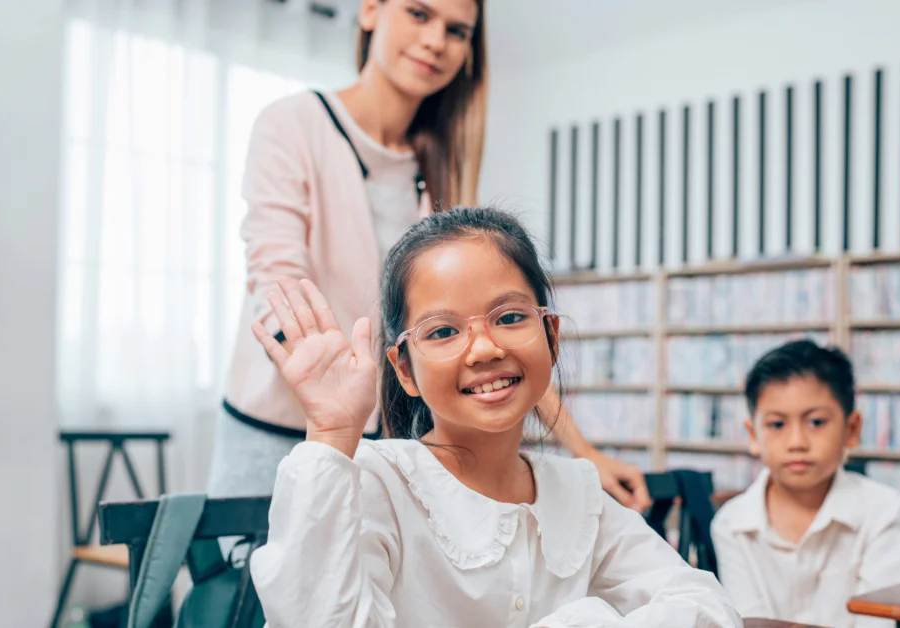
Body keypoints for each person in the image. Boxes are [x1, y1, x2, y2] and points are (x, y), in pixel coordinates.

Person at [213, 0, 649, 510]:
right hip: (282, 426)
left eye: (457, 30)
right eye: (420, 14)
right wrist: (333, 408)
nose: (437, 40)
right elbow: (276, 277)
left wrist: (583, 452)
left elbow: (495, 330)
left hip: (387, 441)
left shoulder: (441, 164)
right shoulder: (294, 122)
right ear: (371, 10)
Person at [248, 208, 742, 627]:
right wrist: (332, 433)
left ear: (551, 336)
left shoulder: (576, 491)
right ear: (404, 368)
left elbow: (706, 606)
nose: (484, 349)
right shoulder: (379, 480)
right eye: (442, 332)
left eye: (509, 318)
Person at [712, 339, 900, 628]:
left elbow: (878, 624)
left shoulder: (884, 511)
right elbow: (750, 622)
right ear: (753, 435)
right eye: (777, 425)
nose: (797, 443)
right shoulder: (731, 523)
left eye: (816, 422)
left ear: (851, 429)